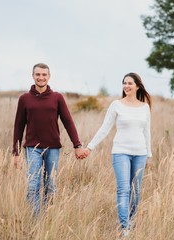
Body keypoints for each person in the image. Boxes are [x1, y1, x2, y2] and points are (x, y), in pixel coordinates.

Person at [81, 72, 152, 236]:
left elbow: (147, 131)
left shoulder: (144, 107)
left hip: (140, 153)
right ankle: (125, 228)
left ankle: (131, 220)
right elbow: (105, 128)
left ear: (137, 86)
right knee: (123, 189)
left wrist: (149, 154)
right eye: (124, 83)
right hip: (121, 153)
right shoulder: (116, 105)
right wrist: (90, 147)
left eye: (130, 83)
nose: (126, 86)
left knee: (136, 191)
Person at [12, 63, 87, 217]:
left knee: (50, 185)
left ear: (49, 76)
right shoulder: (24, 99)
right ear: (33, 76)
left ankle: (47, 217)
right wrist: (16, 152)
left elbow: (68, 122)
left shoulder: (57, 98)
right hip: (32, 148)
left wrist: (77, 145)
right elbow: (18, 126)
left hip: (52, 148)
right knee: (33, 185)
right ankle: (35, 221)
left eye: (44, 75)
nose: (41, 78)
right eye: (38, 74)